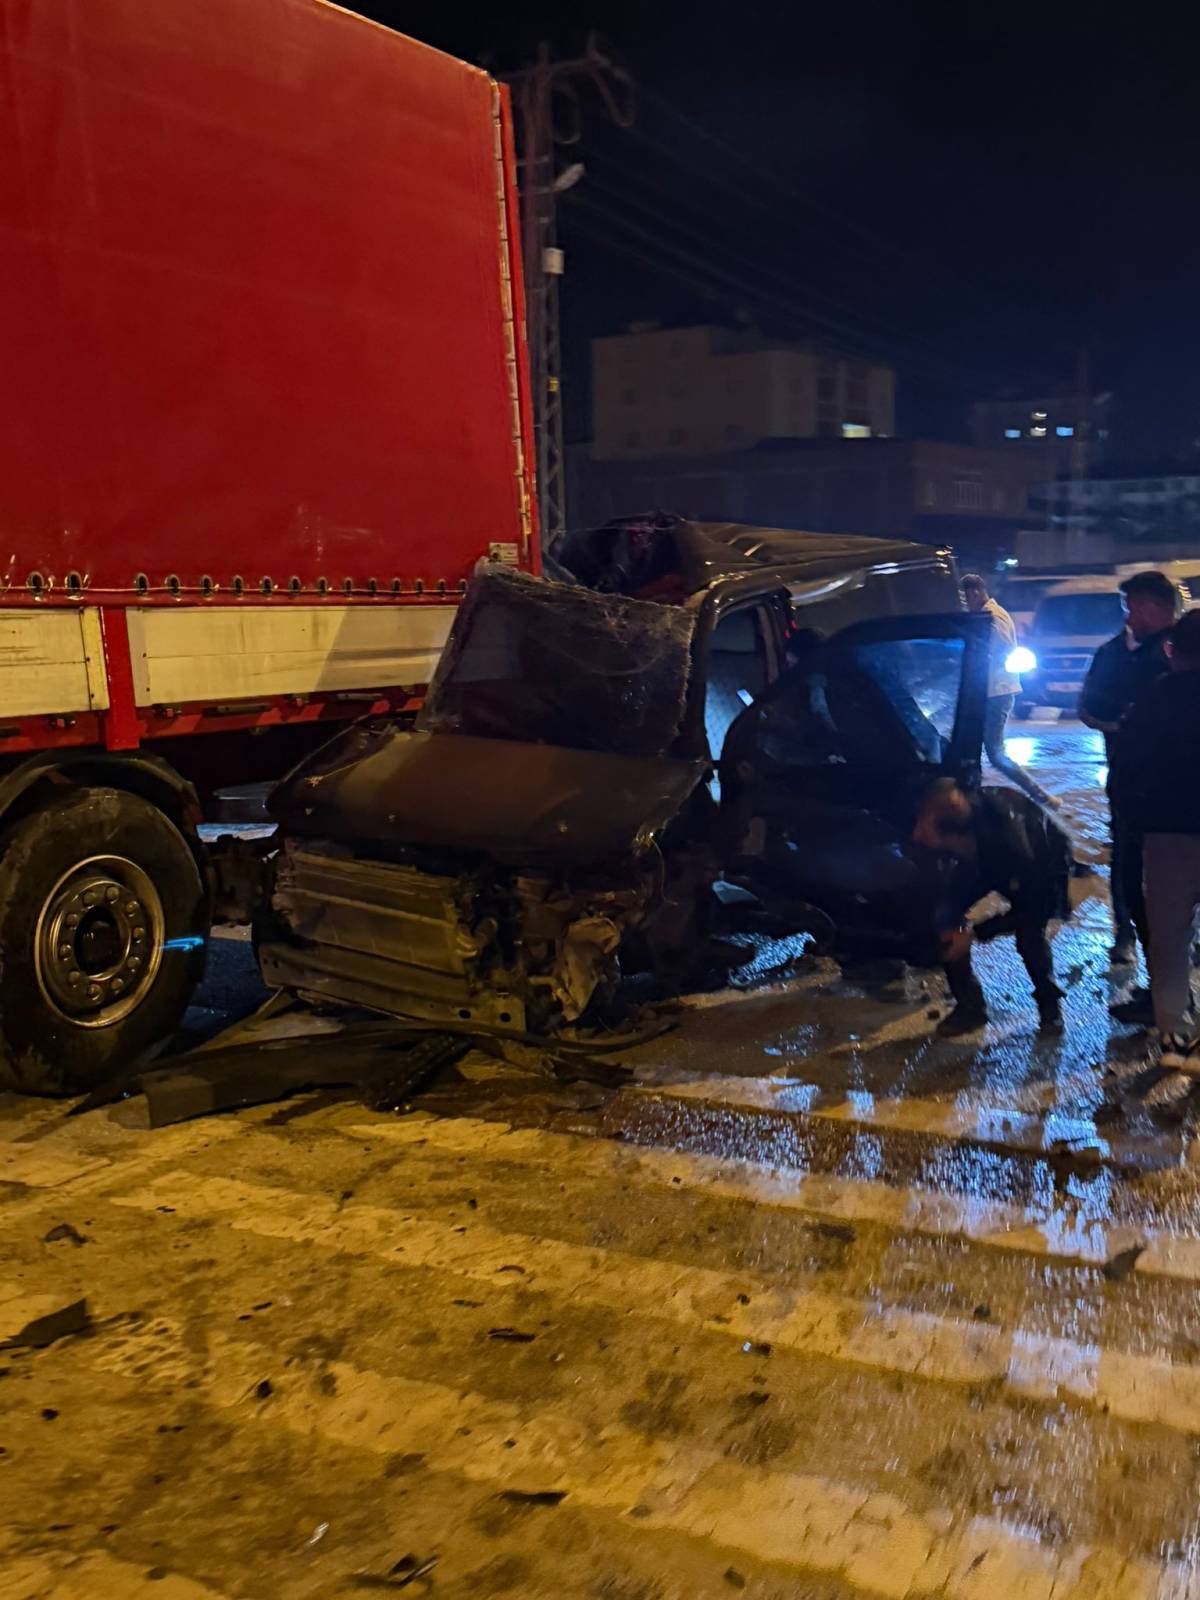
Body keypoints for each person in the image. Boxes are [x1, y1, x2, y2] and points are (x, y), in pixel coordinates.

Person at [913, 778, 1072, 1036]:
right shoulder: (959, 830)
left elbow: (1033, 909)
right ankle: (970, 1008)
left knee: (1030, 936)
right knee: (945, 916)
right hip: (984, 857)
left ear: (951, 833)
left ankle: (1049, 1006)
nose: (916, 833)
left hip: (1045, 857)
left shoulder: (1018, 847)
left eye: (923, 827)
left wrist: (975, 932)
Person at [1078, 569, 1179, 970]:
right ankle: (1125, 933)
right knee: (1127, 858)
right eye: (1130, 604)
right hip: (1129, 776)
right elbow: (1089, 707)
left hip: (1182, 780)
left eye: (1138, 603)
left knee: (1179, 862)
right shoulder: (1111, 653)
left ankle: (1181, 941)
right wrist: (1126, 722)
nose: (1131, 612)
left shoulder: (1182, 649)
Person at [1121, 608, 1200, 1069]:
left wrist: (1134, 825)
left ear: (1172, 652)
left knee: (1168, 940)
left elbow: (1125, 772)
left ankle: (1175, 1040)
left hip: (1166, 837)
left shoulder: (1151, 700)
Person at [960, 573, 1057, 810]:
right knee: (973, 747)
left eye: (965, 599)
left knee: (996, 753)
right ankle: (971, 797)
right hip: (991, 692)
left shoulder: (994, 618)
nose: (964, 606)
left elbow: (999, 651)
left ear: (974, 593)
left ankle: (1043, 798)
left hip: (997, 693)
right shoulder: (989, 615)